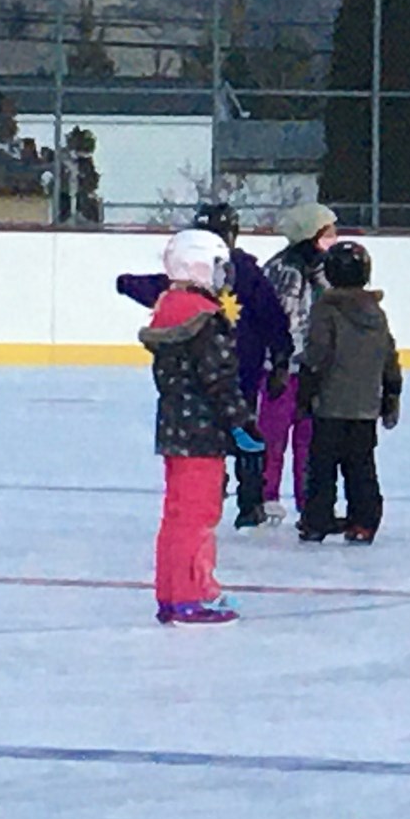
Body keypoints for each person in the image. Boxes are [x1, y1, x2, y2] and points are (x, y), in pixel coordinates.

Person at [116, 202, 291, 529]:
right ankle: (244, 499)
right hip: (237, 370)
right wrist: (281, 355)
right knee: (241, 433)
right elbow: (273, 317)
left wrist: (127, 283)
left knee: (222, 434)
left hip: (225, 372)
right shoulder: (241, 271)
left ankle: (233, 495)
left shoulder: (236, 272)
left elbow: (270, 315)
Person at [138, 229, 261, 625]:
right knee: (197, 516)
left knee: (177, 515)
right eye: (218, 266)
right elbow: (219, 379)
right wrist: (243, 423)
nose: (224, 275)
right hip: (203, 433)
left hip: (175, 429)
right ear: (198, 267)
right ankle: (191, 596)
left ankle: (173, 593)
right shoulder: (205, 319)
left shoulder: (170, 308)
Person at [295, 241, 402, 545]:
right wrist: (391, 394)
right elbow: (389, 356)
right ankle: (364, 521)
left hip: (330, 403)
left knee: (322, 466)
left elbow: (318, 355)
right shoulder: (376, 313)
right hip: (365, 405)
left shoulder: (325, 310)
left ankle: (317, 519)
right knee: (361, 465)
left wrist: (305, 392)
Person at [262, 203, 338, 523]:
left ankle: (309, 500)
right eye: (328, 232)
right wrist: (283, 362)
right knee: (274, 435)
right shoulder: (285, 270)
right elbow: (282, 321)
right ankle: (266, 496)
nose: (334, 238)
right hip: (283, 369)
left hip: (313, 368)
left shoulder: (322, 269)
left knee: (310, 438)